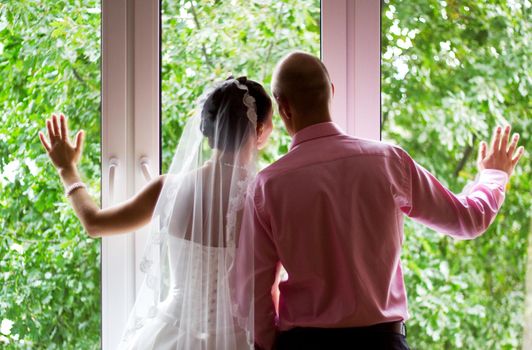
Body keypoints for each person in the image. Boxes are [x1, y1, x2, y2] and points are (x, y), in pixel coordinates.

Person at [235, 52, 525, 350]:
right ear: (332, 91)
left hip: (304, 343)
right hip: (383, 342)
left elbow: (254, 293)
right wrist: (494, 175)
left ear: (283, 108)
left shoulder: (268, 185)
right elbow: (467, 219)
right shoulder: (388, 161)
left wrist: (275, 346)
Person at [39, 76, 274, 349]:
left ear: (210, 131)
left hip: (169, 335)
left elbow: (94, 223)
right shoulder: (262, 197)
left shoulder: (169, 188)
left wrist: (67, 169)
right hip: (237, 339)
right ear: (258, 130)